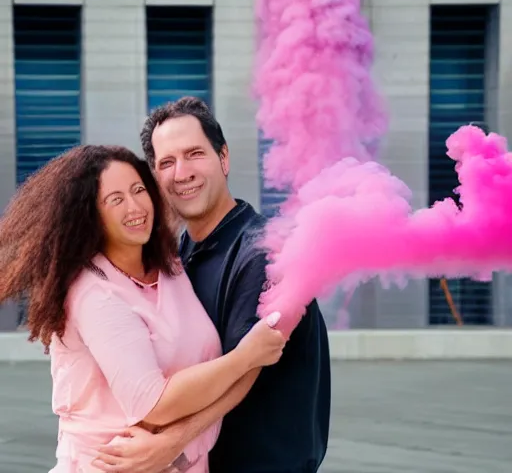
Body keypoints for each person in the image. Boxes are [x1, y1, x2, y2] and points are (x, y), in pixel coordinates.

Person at [0, 145, 286, 472]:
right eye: (116, 199)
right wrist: (244, 357)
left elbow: (213, 378)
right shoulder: (94, 293)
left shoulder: (169, 268)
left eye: (138, 190)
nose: (135, 207)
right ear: (90, 215)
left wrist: (176, 440)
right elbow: (152, 404)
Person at [94, 97, 331, 473]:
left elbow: (243, 370)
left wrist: (169, 444)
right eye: (167, 162)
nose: (182, 172)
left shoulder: (265, 252)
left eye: (194, 154)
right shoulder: (178, 254)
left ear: (224, 158)